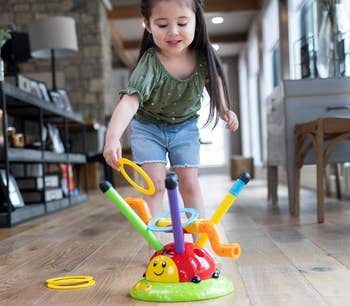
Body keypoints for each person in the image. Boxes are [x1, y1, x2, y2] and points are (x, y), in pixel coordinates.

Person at [103, 0, 239, 244]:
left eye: (182, 23)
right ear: (147, 25)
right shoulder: (150, 63)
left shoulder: (201, 58)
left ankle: (199, 247)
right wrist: (112, 138)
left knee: (190, 184)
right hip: (148, 129)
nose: (173, 32)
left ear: (196, 20)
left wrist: (224, 109)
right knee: (154, 187)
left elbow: (214, 82)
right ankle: (154, 247)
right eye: (162, 24)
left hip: (185, 129)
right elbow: (130, 102)